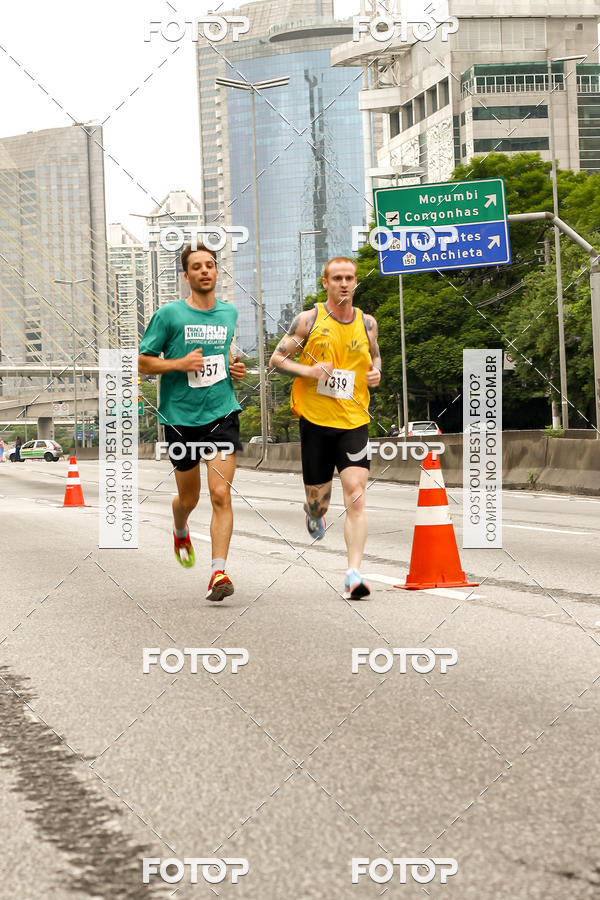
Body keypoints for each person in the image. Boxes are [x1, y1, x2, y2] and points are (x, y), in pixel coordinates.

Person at [138, 243, 246, 602]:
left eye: (210, 265)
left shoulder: (229, 313)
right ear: (186, 276)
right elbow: (142, 361)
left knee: (220, 493)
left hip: (221, 413)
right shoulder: (169, 315)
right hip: (181, 417)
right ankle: (180, 525)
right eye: (196, 266)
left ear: (217, 272)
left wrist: (235, 369)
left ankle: (218, 571)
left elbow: (227, 355)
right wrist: (178, 364)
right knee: (190, 497)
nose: (204, 271)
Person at [269, 256, 381, 600]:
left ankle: (353, 574)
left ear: (355, 282)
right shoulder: (308, 319)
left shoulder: (368, 323)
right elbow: (276, 359)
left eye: (349, 278)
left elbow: (375, 356)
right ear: (325, 283)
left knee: (356, 495)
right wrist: (310, 372)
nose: (344, 284)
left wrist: (375, 372)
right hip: (315, 420)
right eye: (337, 278)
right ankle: (314, 514)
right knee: (319, 502)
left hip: (353, 420)